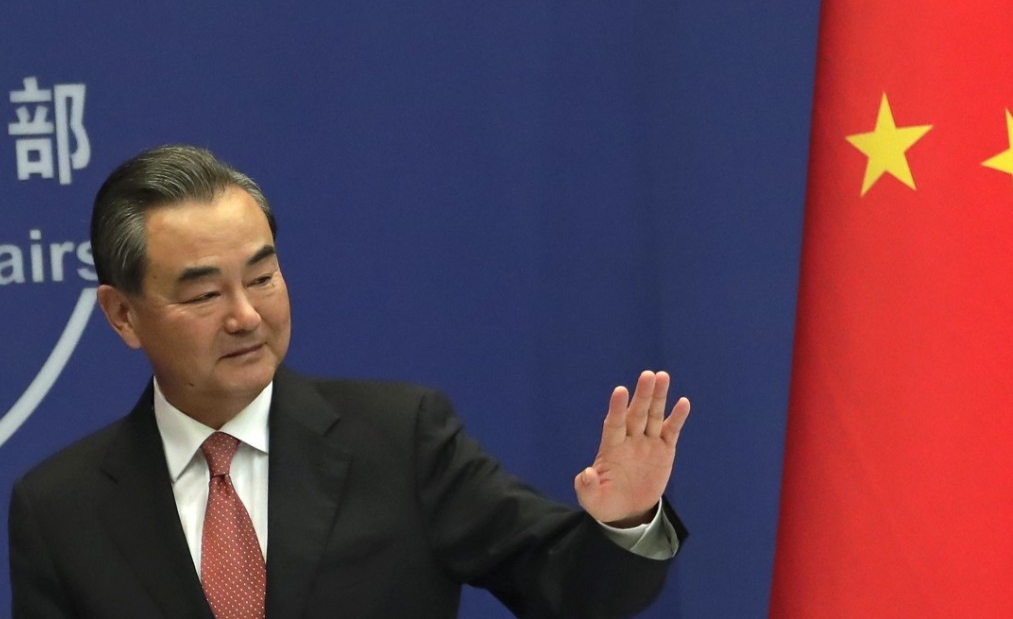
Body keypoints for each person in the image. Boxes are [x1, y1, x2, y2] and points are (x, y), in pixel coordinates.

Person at [8, 145, 691, 619]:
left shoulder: (400, 440)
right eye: (204, 294)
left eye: (262, 277)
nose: (246, 315)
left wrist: (625, 520)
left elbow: (569, 591)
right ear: (123, 314)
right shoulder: (60, 510)